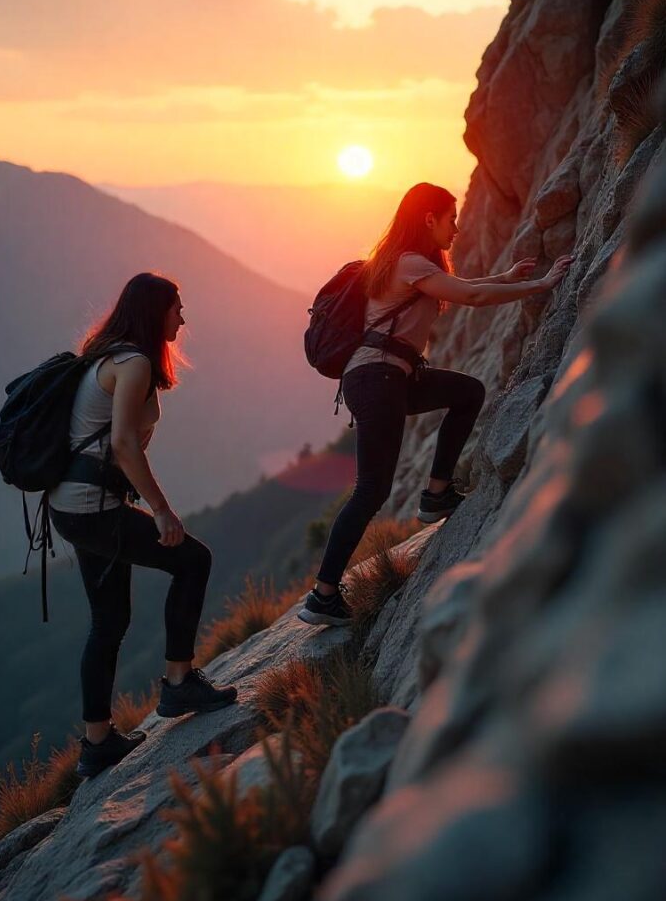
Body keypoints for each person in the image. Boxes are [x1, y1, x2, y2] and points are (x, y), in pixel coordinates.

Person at [298, 182, 572, 627]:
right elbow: (473, 298)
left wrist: (505, 279)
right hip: (377, 379)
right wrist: (541, 284)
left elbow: (463, 287)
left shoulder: (408, 264)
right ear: (429, 219)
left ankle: (436, 494)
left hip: (388, 378)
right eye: (451, 218)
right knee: (372, 489)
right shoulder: (408, 263)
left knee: (467, 392)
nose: (457, 228)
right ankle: (323, 595)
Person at [49, 272, 237, 777]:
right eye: (178, 308)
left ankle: (97, 743)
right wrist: (160, 509)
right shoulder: (131, 364)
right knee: (194, 561)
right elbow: (125, 444)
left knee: (109, 622)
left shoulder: (106, 355)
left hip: (73, 505)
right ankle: (178, 684)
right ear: (156, 313)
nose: (183, 317)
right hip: (93, 506)